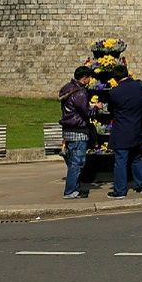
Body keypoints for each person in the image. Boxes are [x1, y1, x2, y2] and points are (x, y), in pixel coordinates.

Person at [106, 66, 142, 199]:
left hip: (121, 130)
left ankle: (120, 190)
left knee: (121, 161)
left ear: (116, 78)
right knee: (136, 158)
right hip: (136, 128)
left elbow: (110, 110)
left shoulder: (114, 92)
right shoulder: (138, 87)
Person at [59, 65, 94, 199]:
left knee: (72, 161)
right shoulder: (80, 92)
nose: (90, 80)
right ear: (84, 78)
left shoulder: (67, 88)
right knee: (77, 163)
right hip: (78, 130)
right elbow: (86, 112)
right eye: (89, 78)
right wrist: (96, 107)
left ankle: (74, 188)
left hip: (68, 130)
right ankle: (70, 191)